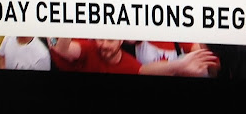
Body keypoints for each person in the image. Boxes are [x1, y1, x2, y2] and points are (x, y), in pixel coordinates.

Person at [48, 37, 218, 77]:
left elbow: (142, 70)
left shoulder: (127, 63)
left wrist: (179, 66)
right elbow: (64, 49)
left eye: (110, 40)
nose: (104, 45)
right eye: (101, 38)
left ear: (121, 40)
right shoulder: (89, 48)